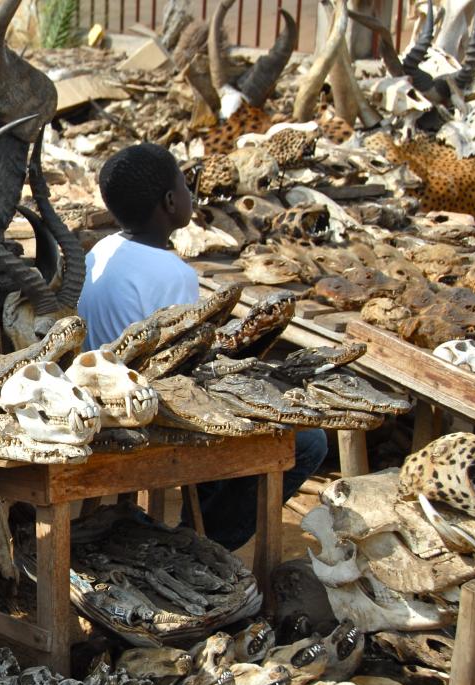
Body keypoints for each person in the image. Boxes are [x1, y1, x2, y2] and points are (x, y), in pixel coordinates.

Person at [79, 143, 327, 552]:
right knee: (310, 442)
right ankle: (208, 538)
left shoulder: (102, 250)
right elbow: (185, 358)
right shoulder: (173, 273)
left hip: (106, 389)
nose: (190, 194)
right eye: (185, 185)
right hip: (149, 410)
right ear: (171, 201)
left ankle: (199, 521)